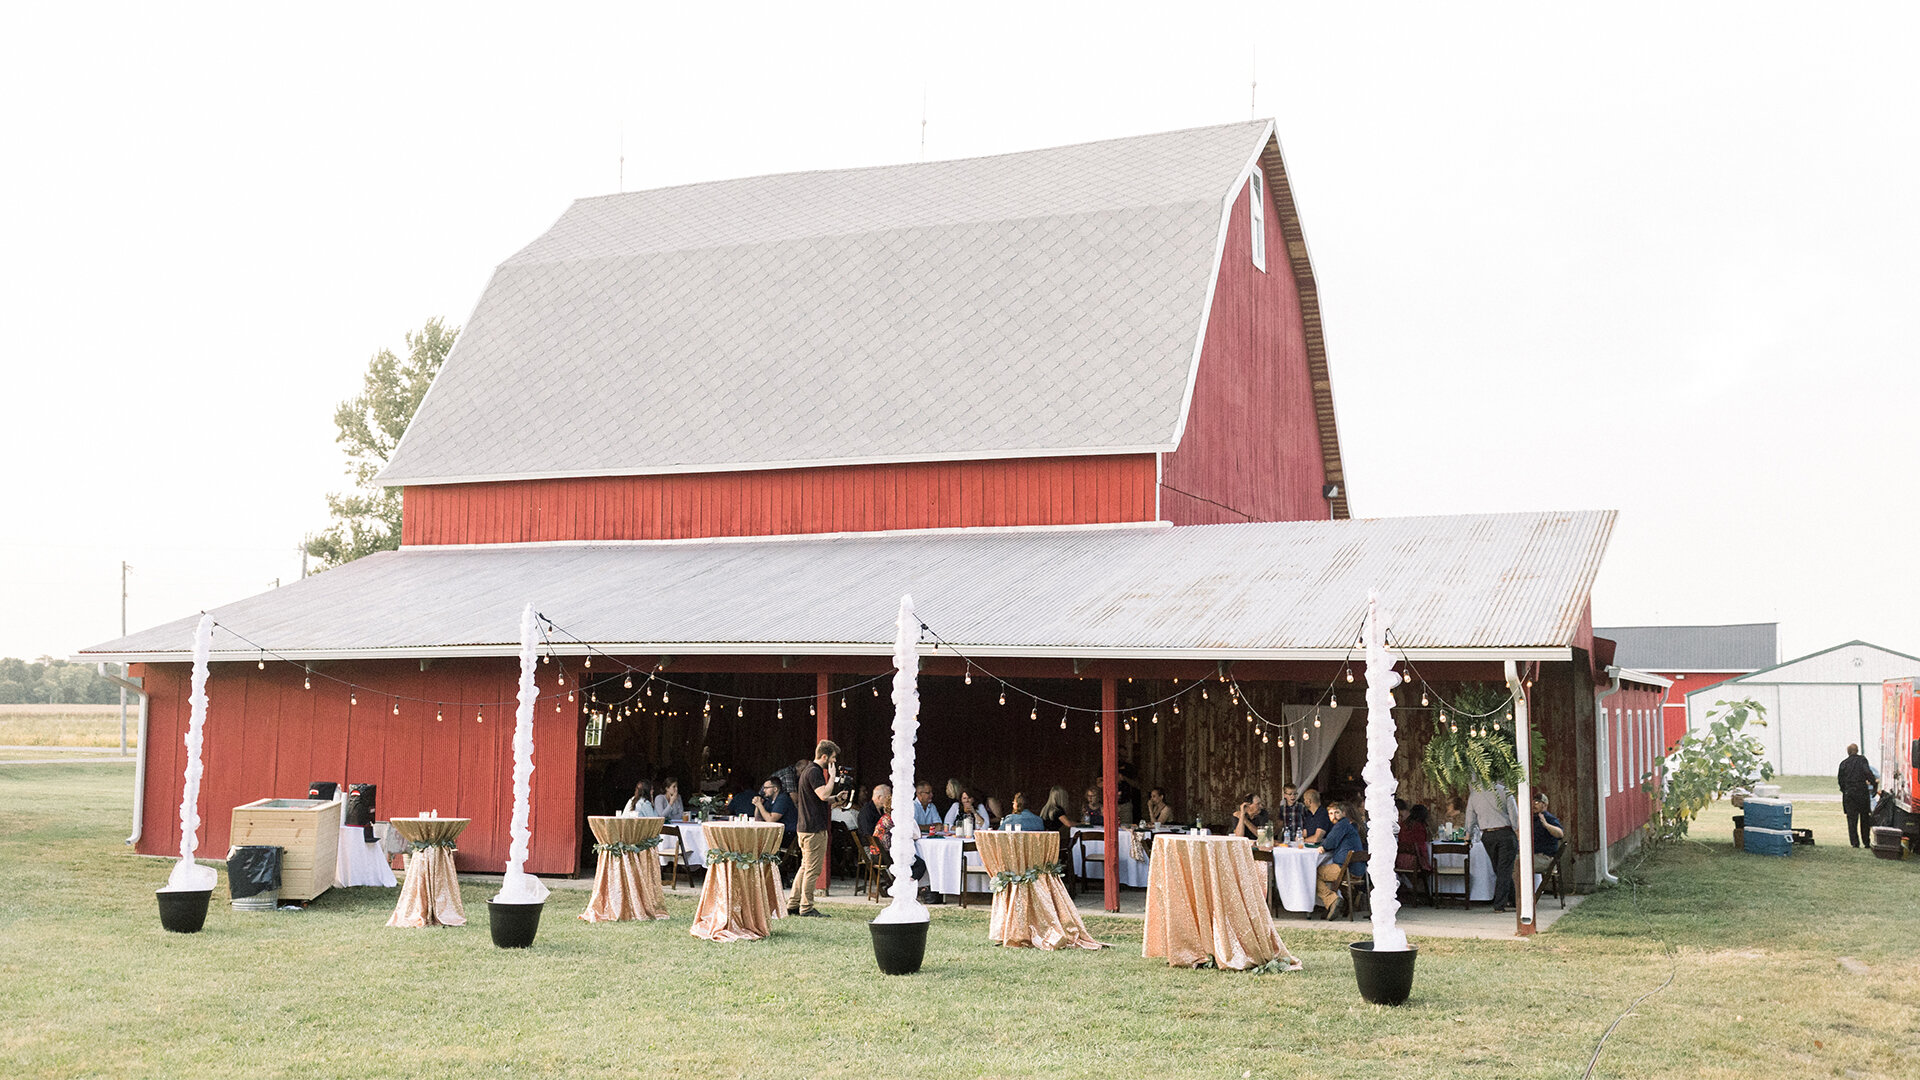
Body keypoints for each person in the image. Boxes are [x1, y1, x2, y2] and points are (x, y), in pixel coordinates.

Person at [785, 739, 840, 918]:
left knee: (804, 867)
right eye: (832, 759)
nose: (834, 763)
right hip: (813, 828)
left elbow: (818, 798)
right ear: (824, 756)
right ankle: (806, 907)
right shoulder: (815, 772)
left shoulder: (807, 771)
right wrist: (832, 778)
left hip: (805, 827)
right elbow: (823, 794)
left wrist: (836, 798)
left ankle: (793, 904)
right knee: (812, 870)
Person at [870, 783, 941, 904]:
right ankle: (905, 887)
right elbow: (916, 834)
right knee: (920, 865)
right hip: (888, 855)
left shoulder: (886, 817)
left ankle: (903, 886)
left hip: (877, 854)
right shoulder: (899, 818)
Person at [1467, 781, 1520, 913]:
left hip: (1487, 835)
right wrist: (1517, 831)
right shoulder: (1504, 791)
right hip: (1505, 832)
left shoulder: (1474, 795)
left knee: (1499, 869)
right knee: (1504, 869)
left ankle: (1514, 900)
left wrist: (1468, 836)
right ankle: (1499, 905)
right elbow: (1514, 813)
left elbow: (1470, 817)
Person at [1317, 802, 1365, 918]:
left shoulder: (1341, 825)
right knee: (1326, 872)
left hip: (1346, 870)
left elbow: (1330, 842)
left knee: (1314, 873)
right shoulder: (1350, 826)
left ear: (1343, 813)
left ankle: (1332, 900)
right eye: (1331, 813)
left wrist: (1323, 846)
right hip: (1359, 870)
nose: (1333, 816)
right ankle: (1338, 903)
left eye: (1337, 812)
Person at [1839, 743, 1877, 848]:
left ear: (1848, 752)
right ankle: (1866, 842)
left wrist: (1845, 790)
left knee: (1852, 819)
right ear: (1857, 751)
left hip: (1849, 794)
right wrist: (1874, 783)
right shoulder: (1862, 760)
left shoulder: (1843, 763)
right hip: (1862, 793)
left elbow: (1840, 781)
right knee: (1865, 818)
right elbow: (1868, 773)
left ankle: (1855, 843)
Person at [752, 777, 796, 842]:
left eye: (766, 788)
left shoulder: (783, 799)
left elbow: (771, 819)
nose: (764, 790)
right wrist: (757, 805)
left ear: (775, 789)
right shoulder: (769, 800)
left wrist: (760, 805)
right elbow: (758, 819)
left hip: (788, 834)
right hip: (778, 833)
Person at [1395, 803, 1433, 875]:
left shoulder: (1403, 824)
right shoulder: (1419, 827)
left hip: (1400, 861)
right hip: (1415, 862)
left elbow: (1400, 839)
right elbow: (1422, 845)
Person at [1530, 791, 1562, 873]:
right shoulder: (1532, 818)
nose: (1533, 804)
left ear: (1544, 805)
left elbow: (1560, 834)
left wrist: (1546, 825)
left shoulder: (1548, 818)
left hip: (1545, 858)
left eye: (1536, 802)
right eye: (1532, 802)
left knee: (1516, 864)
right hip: (1533, 856)